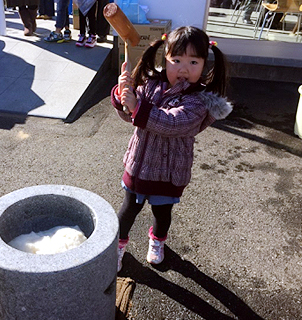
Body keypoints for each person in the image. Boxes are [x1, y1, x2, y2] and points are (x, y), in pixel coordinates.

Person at [111, 26, 233, 272]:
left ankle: (157, 241)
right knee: (127, 210)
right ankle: (118, 246)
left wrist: (138, 108)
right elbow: (129, 116)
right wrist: (124, 96)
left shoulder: (198, 101)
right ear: (164, 59)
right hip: (138, 165)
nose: (184, 68)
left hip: (169, 171)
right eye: (176, 60)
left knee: (162, 212)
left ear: (205, 64)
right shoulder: (151, 84)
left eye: (193, 62)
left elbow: (173, 122)